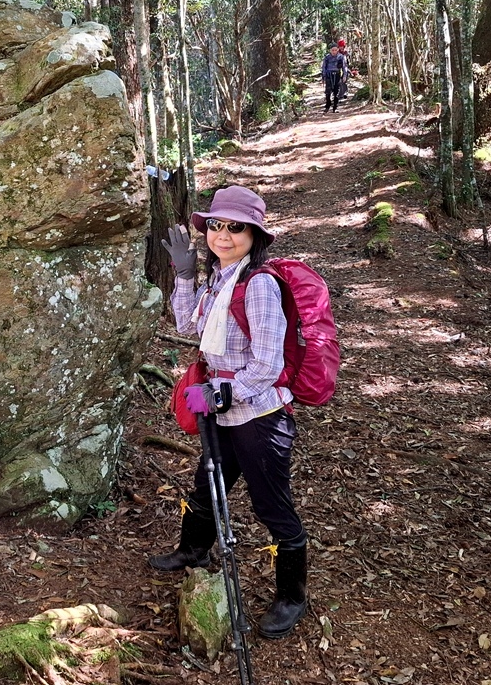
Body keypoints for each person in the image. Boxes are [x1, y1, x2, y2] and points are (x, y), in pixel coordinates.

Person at [153, 185, 308, 640]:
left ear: (254, 235)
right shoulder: (219, 279)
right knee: (207, 484)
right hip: (218, 402)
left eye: (235, 227)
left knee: (271, 506)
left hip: (259, 415)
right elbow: (187, 326)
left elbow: (268, 365)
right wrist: (184, 276)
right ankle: (193, 550)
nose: (223, 235)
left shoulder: (257, 285)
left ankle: (292, 596)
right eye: (216, 225)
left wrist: (223, 393)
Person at [321, 45, 347, 113]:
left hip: (337, 75)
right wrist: (323, 76)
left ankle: (335, 107)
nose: (334, 52)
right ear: (330, 50)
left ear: (338, 50)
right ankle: (327, 105)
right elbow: (324, 67)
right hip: (328, 75)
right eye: (332, 50)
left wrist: (344, 75)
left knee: (336, 92)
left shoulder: (341, 57)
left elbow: (344, 66)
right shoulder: (327, 57)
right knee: (328, 91)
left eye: (335, 50)